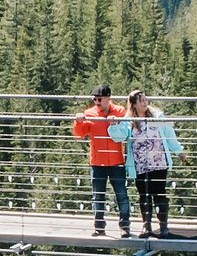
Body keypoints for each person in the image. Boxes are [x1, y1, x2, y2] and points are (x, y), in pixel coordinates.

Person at [72, 85, 132, 235]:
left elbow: (126, 132)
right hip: (97, 162)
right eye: (94, 99)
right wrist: (78, 122)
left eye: (99, 99)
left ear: (108, 98)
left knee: (121, 195)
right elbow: (79, 134)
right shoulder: (89, 113)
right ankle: (99, 227)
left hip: (116, 161)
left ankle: (124, 226)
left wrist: (115, 123)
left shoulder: (120, 112)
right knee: (97, 195)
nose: (96, 102)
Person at [124, 87, 183, 237]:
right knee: (144, 195)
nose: (145, 102)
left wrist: (179, 151)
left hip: (158, 162)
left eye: (145, 99)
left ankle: (163, 227)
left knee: (159, 194)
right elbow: (119, 135)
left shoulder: (157, 116)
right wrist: (113, 125)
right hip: (140, 164)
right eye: (141, 100)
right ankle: (147, 227)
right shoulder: (129, 121)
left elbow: (169, 134)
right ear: (134, 104)